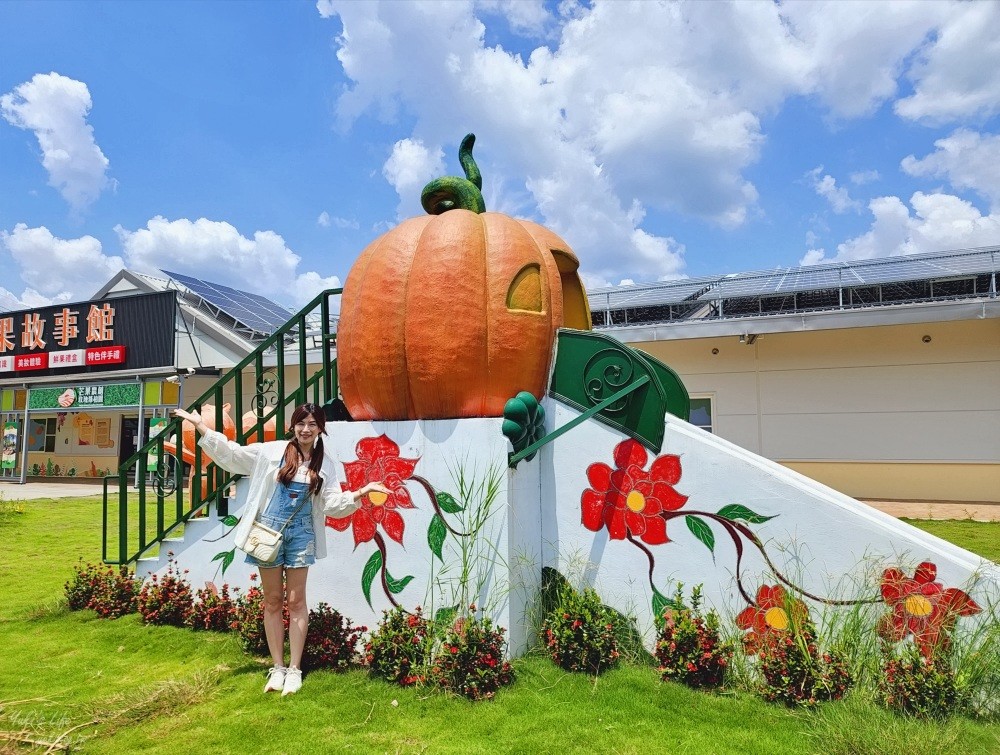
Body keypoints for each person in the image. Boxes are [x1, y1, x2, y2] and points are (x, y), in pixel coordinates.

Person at [174, 402, 389, 696]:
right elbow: (234, 456)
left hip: (302, 536)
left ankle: (294, 669)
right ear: (293, 425)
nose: (306, 429)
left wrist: (360, 493)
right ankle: (277, 667)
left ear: (320, 429)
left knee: (297, 601)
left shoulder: (324, 463)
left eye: (313, 424)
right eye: (301, 423)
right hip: (268, 533)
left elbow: (331, 505)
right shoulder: (271, 452)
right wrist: (201, 427)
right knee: (273, 600)